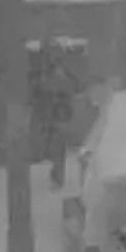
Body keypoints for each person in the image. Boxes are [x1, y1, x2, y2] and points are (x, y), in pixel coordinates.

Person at [31, 38, 80, 190]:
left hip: (56, 115)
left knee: (57, 144)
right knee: (53, 144)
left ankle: (57, 176)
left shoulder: (56, 77)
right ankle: (56, 175)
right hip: (51, 114)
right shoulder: (46, 77)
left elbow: (68, 93)